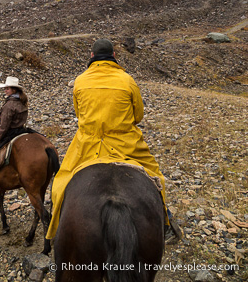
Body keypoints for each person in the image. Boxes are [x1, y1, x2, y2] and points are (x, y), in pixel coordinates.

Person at [46, 38, 182, 243]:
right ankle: (166, 222)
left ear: (92, 56)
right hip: (125, 143)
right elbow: (138, 116)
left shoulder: (80, 81)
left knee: (61, 182)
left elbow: (79, 114)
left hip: (88, 144)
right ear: (114, 56)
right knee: (156, 177)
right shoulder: (127, 80)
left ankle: (56, 227)